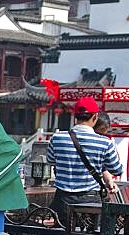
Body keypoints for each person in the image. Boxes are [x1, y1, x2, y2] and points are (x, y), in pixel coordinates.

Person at [46, 97, 122, 226]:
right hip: (90, 199)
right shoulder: (105, 143)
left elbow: (51, 160)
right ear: (95, 117)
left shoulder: (57, 138)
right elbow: (117, 169)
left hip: (63, 198)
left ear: (75, 116)